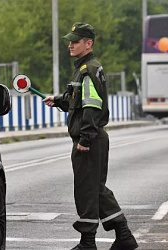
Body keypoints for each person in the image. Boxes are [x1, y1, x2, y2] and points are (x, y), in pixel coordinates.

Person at [43, 23, 138, 250]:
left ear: (89, 43)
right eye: (70, 40)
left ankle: (88, 243)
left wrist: (85, 139)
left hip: (90, 139)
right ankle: (124, 236)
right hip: (94, 137)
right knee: (95, 189)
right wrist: (58, 100)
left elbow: (92, 107)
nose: (70, 44)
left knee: (86, 189)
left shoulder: (88, 70)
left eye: (75, 41)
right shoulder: (86, 68)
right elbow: (79, 101)